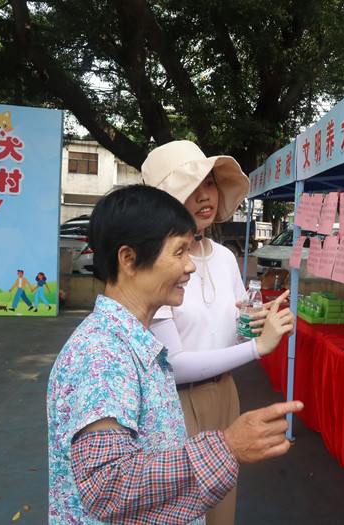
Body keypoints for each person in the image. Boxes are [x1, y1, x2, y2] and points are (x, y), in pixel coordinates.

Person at [47, 185, 302, 524]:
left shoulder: (133, 341)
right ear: (129, 259)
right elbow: (107, 486)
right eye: (180, 252)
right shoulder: (103, 354)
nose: (190, 267)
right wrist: (227, 447)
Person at [142, 140, 295, 525]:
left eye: (209, 183)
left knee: (221, 512)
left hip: (226, 393)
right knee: (181, 511)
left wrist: (256, 319)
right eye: (190, 188)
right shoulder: (158, 263)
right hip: (177, 404)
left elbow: (236, 329)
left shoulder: (225, 257)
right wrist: (258, 348)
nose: (204, 195)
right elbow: (173, 365)